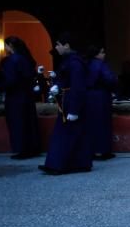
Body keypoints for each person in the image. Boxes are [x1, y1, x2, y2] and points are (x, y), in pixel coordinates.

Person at [39, 33, 92, 175]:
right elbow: (65, 78)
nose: (56, 47)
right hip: (66, 100)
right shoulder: (69, 61)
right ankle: (71, 163)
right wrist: (58, 85)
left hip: (71, 102)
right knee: (69, 134)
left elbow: (78, 86)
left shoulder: (75, 63)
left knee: (68, 135)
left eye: (58, 44)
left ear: (67, 45)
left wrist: (74, 109)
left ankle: (59, 164)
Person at [0, 36, 41, 160]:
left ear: (10, 46)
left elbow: (10, 79)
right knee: (28, 122)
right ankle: (32, 147)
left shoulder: (11, 60)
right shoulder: (25, 59)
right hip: (27, 95)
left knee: (17, 123)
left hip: (15, 96)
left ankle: (22, 149)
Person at [85, 45, 118, 160]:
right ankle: (101, 151)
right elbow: (110, 79)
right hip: (100, 96)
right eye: (102, 52)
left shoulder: (85, 64)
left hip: (87, 96)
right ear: (97, 54)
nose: (104, 54)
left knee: (90, 124)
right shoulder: (101, 65)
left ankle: (92, 150)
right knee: (102, 123)